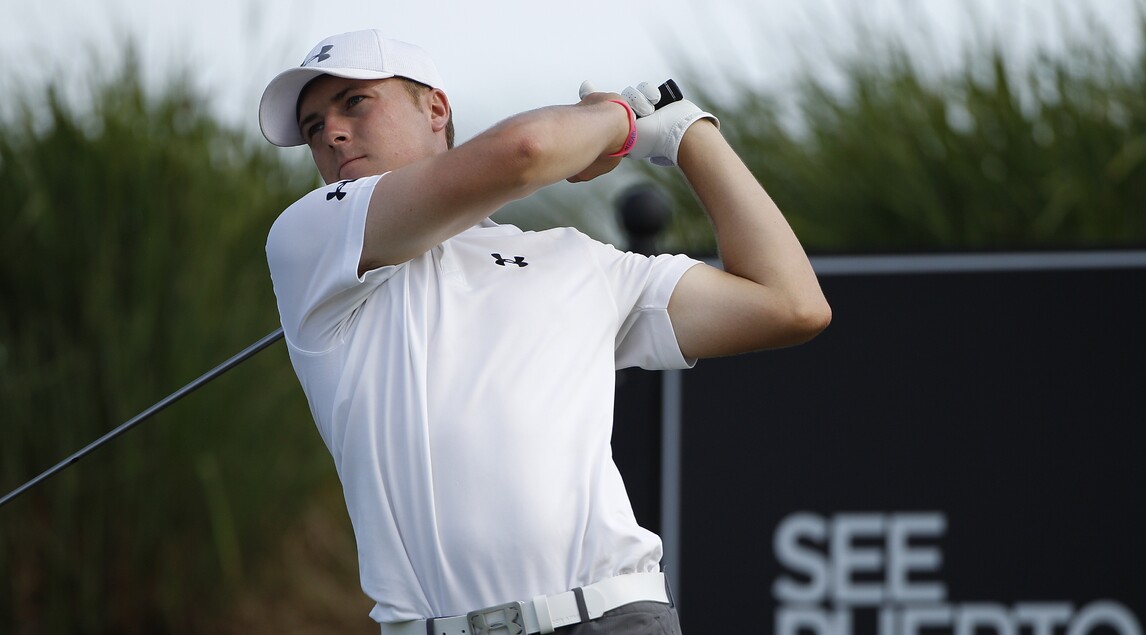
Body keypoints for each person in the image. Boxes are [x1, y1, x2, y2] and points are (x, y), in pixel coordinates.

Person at [259, 29, 830, 634]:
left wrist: (689, 133)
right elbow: (526, 150)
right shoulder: (311, 238)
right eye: (314, 127)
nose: (333, 134)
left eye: (355, 102)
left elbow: (789, 304)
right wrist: (618, 122)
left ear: (435, 109)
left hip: (610, 615)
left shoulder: (577, 259)